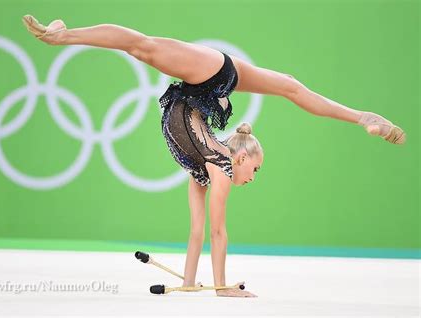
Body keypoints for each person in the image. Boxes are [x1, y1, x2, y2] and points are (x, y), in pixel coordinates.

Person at [22, 15, 406, 298]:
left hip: (212, 84)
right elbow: (218, 232)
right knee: (143, 46)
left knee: (290, 86)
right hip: (210, 73)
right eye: (255, 170)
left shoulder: (204, 168)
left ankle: (361, 116)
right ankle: (64, 35)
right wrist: (222, 287)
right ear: (240, 159)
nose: (253, 178)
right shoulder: (220, 167)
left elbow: (197, 232)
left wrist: (189, 284)